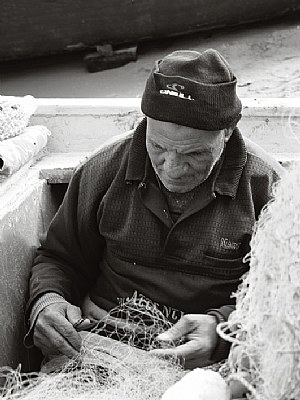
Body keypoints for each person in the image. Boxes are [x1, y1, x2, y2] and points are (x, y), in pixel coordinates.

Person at [25, 49, 283, 371]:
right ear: (145, 123)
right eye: (159, 147)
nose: (172, 168)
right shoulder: (102, 170)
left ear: (227, 133)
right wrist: (47, 301)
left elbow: (282, 299)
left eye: (195, 154)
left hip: (213, 362)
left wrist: (223, 332)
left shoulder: (270, 191)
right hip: (100, 346)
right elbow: (60, 258)